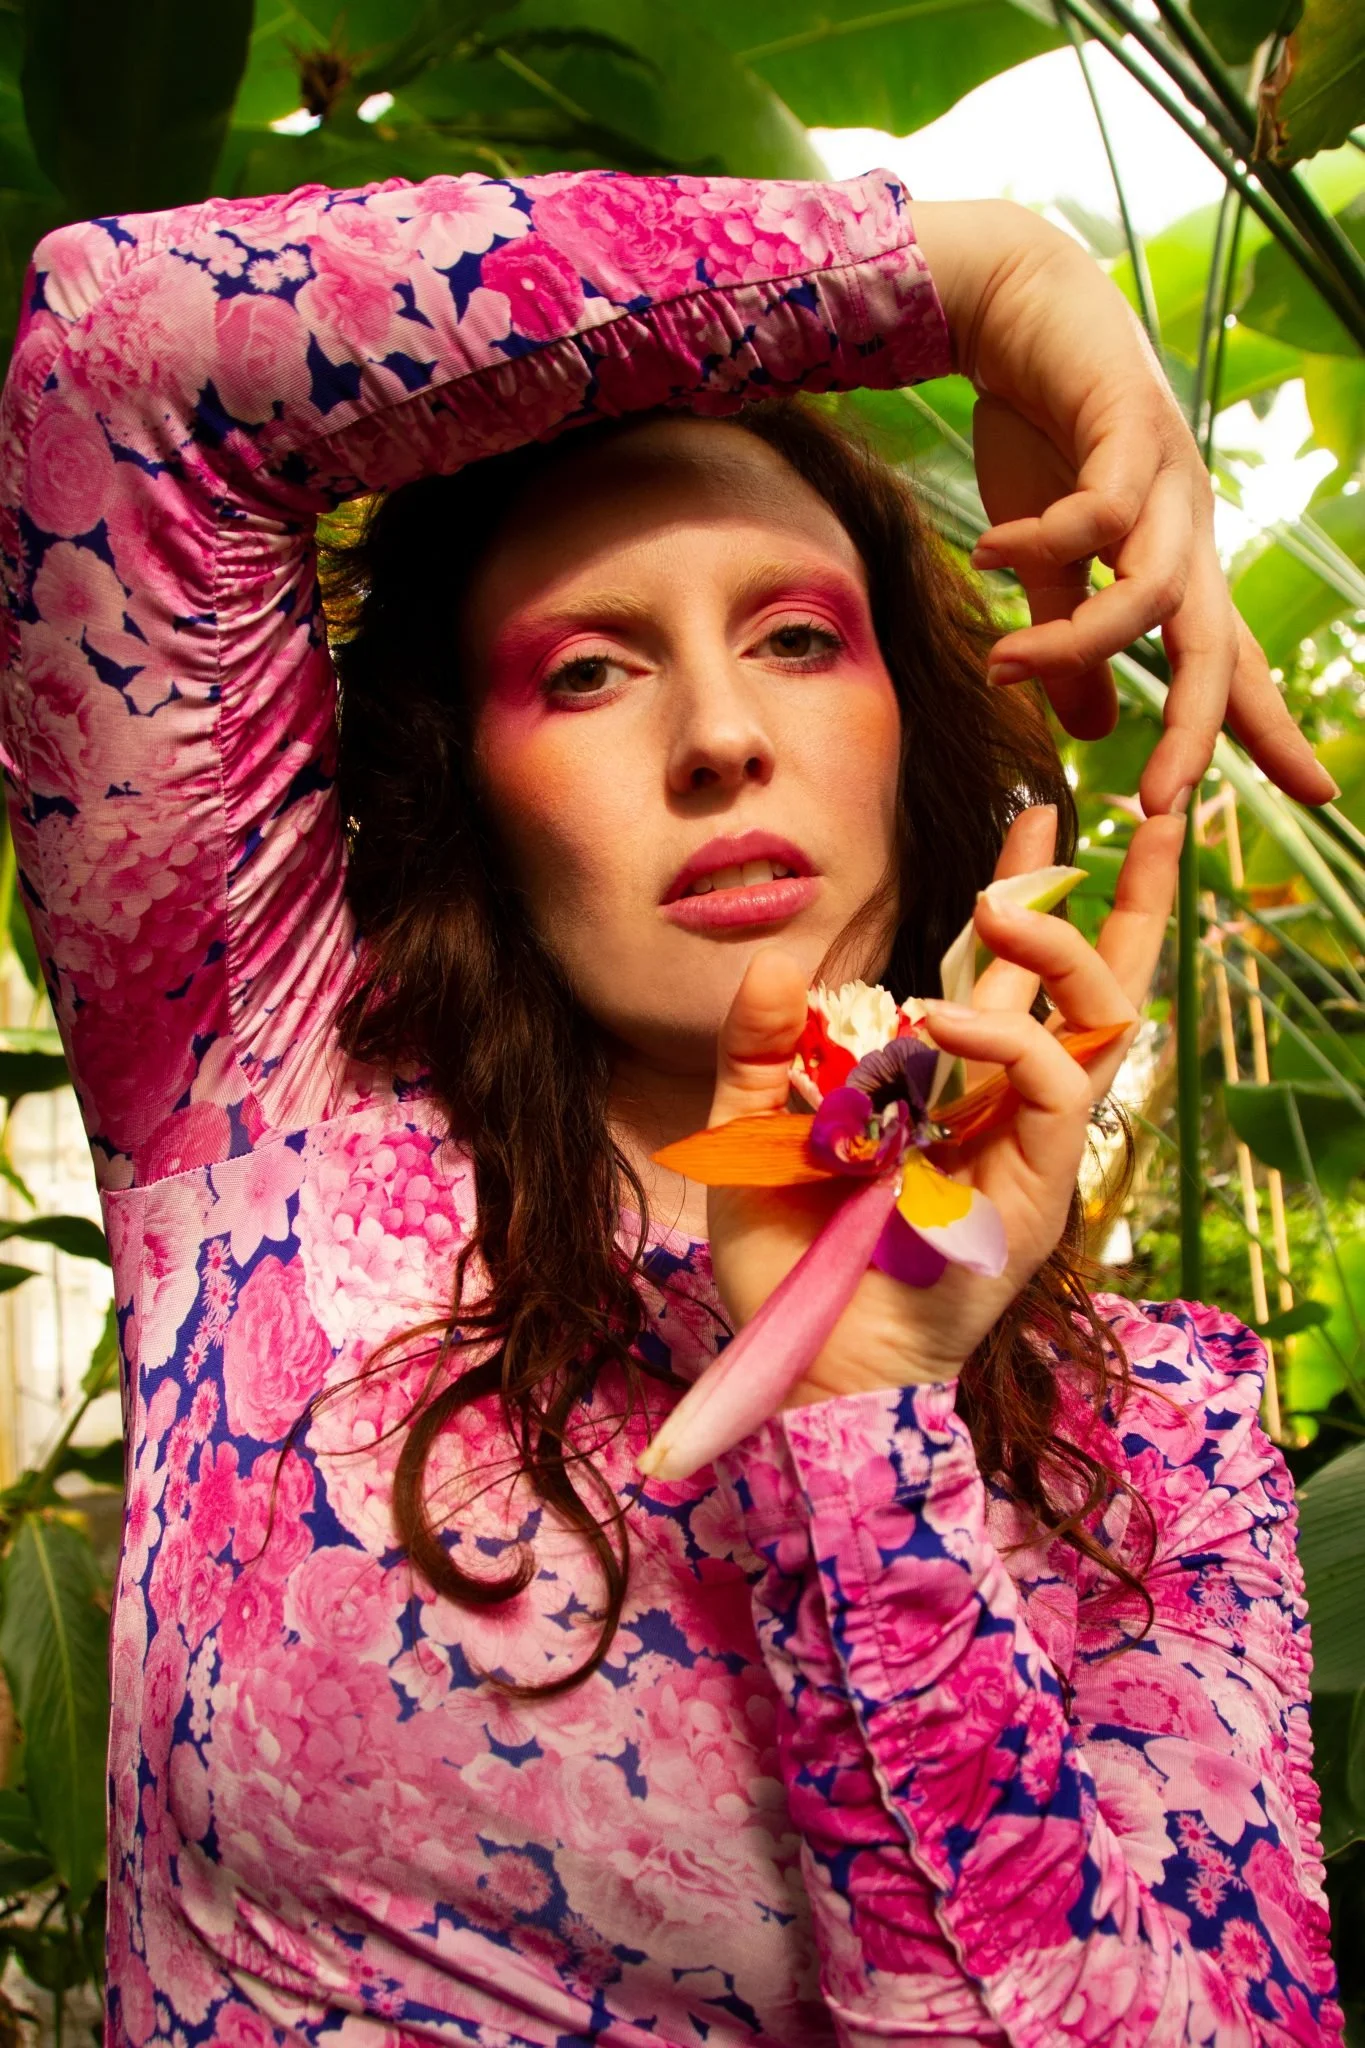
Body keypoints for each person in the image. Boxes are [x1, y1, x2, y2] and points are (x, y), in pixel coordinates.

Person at [0, 167, 1341, 2046]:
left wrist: (868, 1406)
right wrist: (977, 278)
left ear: (906, 727)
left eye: (799, 638)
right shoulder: (267, 1107)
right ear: (465, 780)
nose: (721, 733)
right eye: (590, 670)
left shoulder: (1156, 1443)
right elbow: (121, 352)